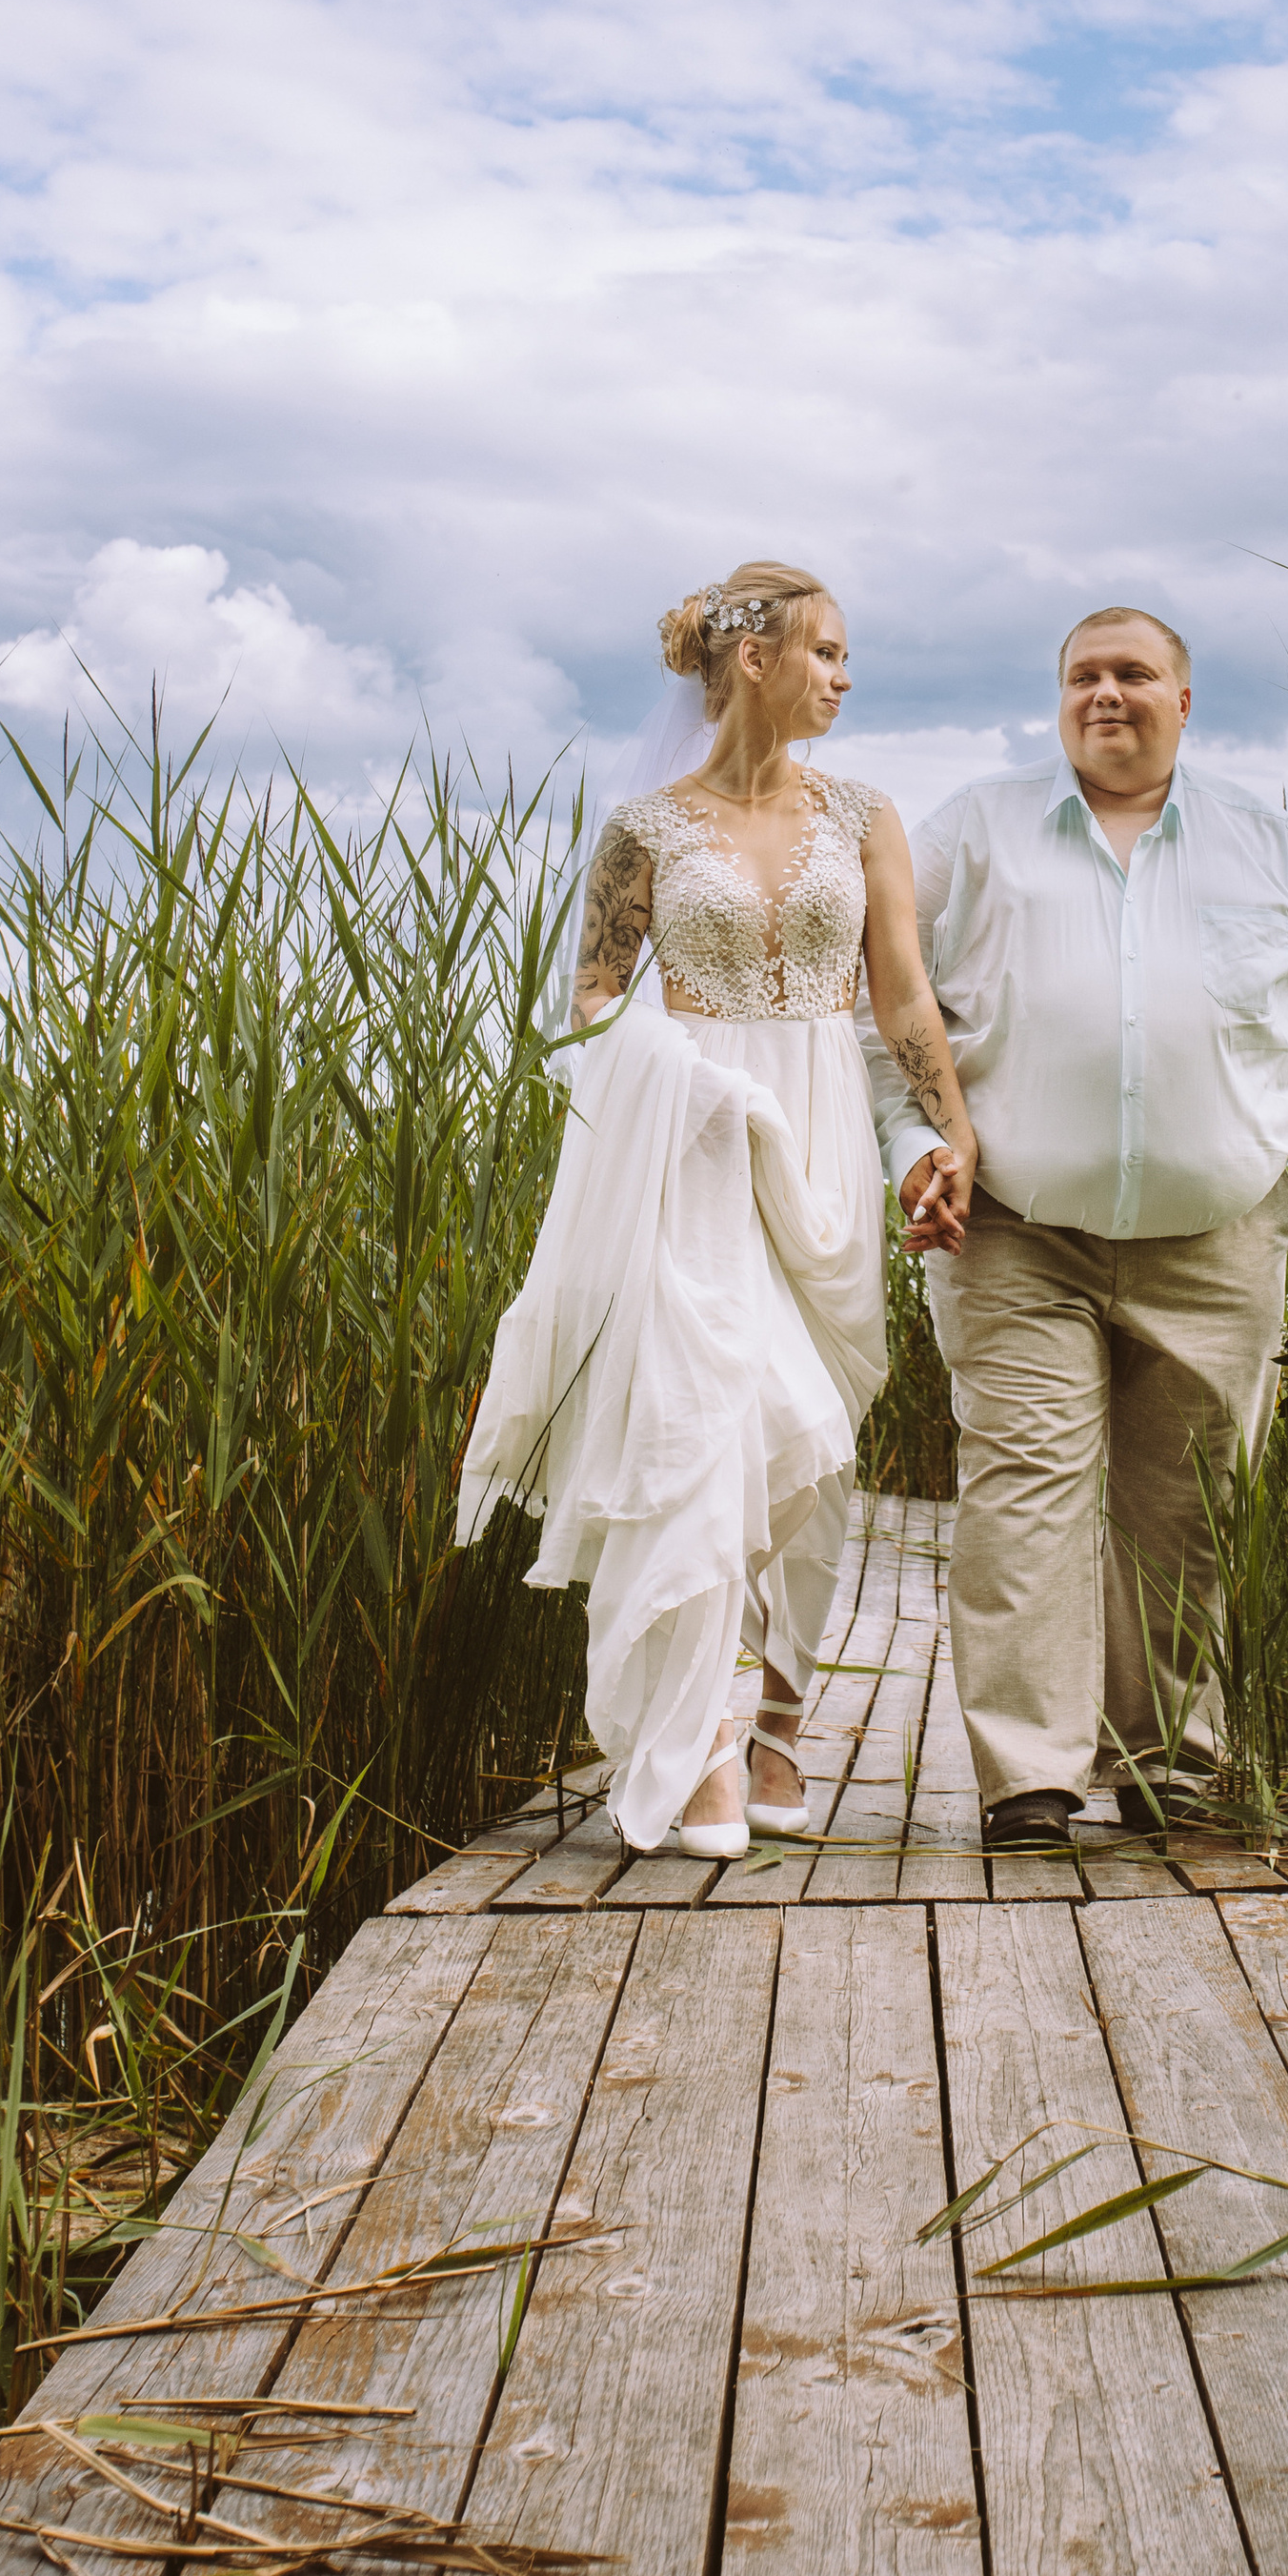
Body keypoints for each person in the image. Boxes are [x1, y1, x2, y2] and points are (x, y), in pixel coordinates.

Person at [862, 607, 1288, 1853]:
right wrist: (916, 1148)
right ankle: (1029, 1778)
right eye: (1081, 676)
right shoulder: (973, 834)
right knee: (1026, 1493)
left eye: (1131, 674)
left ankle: (1170, 1760)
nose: (1104, 694)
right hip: (1014, 1232)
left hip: (1218, 1237)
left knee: (1193, 1509)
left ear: (1183, 697)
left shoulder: (1274, 846)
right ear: (1057, 697)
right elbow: (889, 1006)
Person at [457, 563, 977, 1856]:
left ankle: (781, 1724)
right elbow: (588, 1002)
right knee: (719, 1417)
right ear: (755, 656)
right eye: (831, 651)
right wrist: (668, 1069)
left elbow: (900, 995)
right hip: (688, 1136)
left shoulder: (864, 816)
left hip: (819, 1142)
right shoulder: (644, 827)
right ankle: (693, 1742)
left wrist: (948, 1132)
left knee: (822, 1419)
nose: (846, 677)